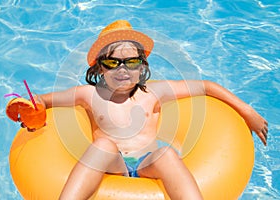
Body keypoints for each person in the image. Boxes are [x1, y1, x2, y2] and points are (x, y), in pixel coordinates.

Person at [27, 20, 268, 199]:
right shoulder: (87, 94)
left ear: (142, 67)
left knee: (167, 155)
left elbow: (205, 87)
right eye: (112, 62)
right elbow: (41, 100)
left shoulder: (154, 93)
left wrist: (247, 111)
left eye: (131, 62)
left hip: (145, 165)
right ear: (100, 68)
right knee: (104, 145)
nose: (122, 70)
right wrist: (28, 109)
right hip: (112, 166)